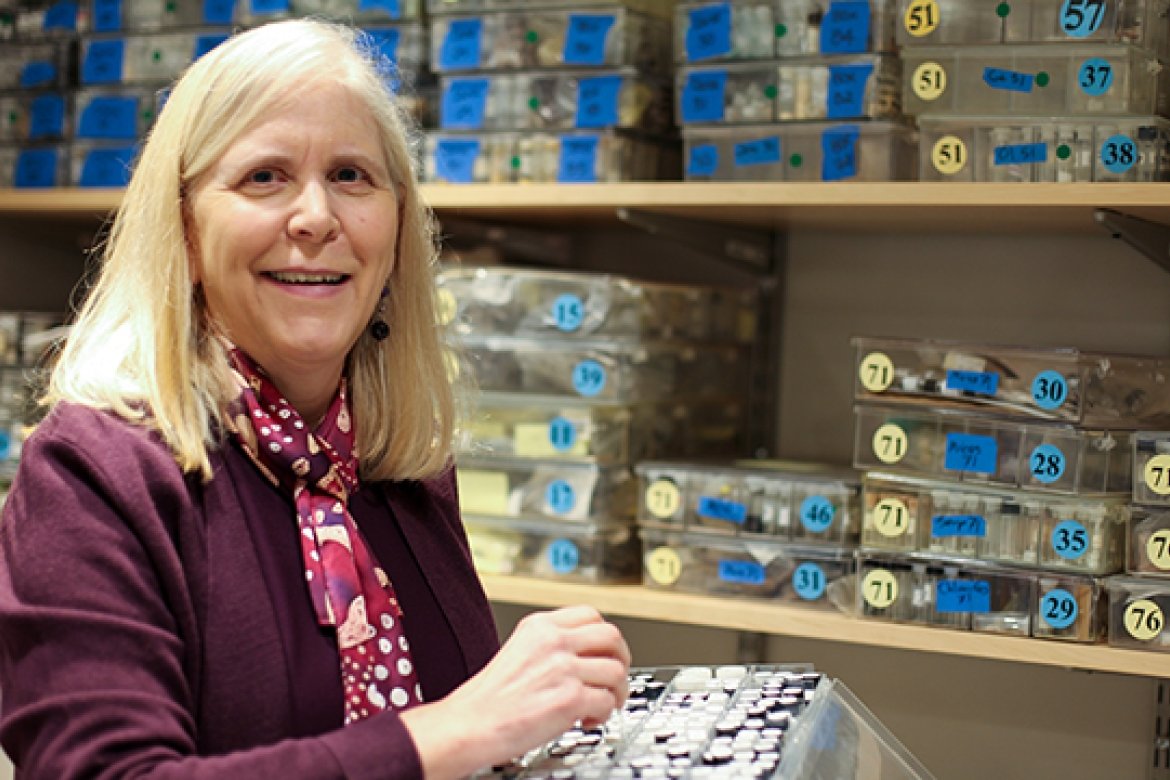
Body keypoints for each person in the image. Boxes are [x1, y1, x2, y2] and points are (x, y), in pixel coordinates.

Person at [0, 19, 630, 780]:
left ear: (397, 231)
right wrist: (458, 728)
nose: (316, 218)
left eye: (352, 176)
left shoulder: (401, 461)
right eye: (264, 176)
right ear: (187, 233)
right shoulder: (90, 475)